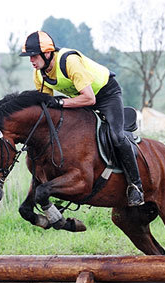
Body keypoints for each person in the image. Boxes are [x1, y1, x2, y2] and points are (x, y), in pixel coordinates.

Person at [19, 31, 144, 206]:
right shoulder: (39, 74)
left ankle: (135, 186)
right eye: (29, 56)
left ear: (47, 53)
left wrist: (61, 103)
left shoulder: (69, 61)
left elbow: (89, 99)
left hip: (105, 95)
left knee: (116, 136)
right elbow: (48, 107)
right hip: (80, 98)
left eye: (33, 55)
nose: (31, 60)